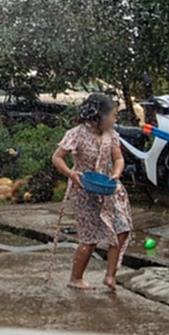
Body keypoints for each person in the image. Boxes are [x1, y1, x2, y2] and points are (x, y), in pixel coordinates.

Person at [52, 93, 133, 292]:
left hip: (108, 187)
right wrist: (71, 174)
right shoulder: (77, 134)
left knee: (122, 228)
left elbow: (119, 159)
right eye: (112, 115)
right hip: (84, 189)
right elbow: (57, 157)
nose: (115, 119)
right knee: (90, 238)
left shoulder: (111, 135)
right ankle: (76, 278)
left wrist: (116, 173)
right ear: (99, 116)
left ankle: (110, 276)